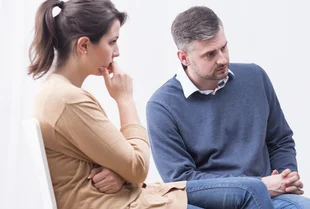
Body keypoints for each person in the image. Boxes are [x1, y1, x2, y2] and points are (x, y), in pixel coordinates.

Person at [29, 1, 277, 208]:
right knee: (252, 191)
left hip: (128, 197)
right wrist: (124, 99)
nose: (117, 52)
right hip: (121, 204)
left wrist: (122, 175)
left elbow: (122, 164)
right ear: (84, 45)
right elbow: (137, 166)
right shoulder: (67, 100)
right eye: (112, 42)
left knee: (252, 190)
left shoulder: (61, 94)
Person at [146, 6, 310, 209]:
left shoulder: (255, 77)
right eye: (210, 54)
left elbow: (279, 140)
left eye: (224, 48)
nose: (222, 59)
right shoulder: (161, 107)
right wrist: (257, 185)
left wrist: (286, 177)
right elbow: (181, 181)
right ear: (184, 58)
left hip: (270, 197)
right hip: (212, 203)